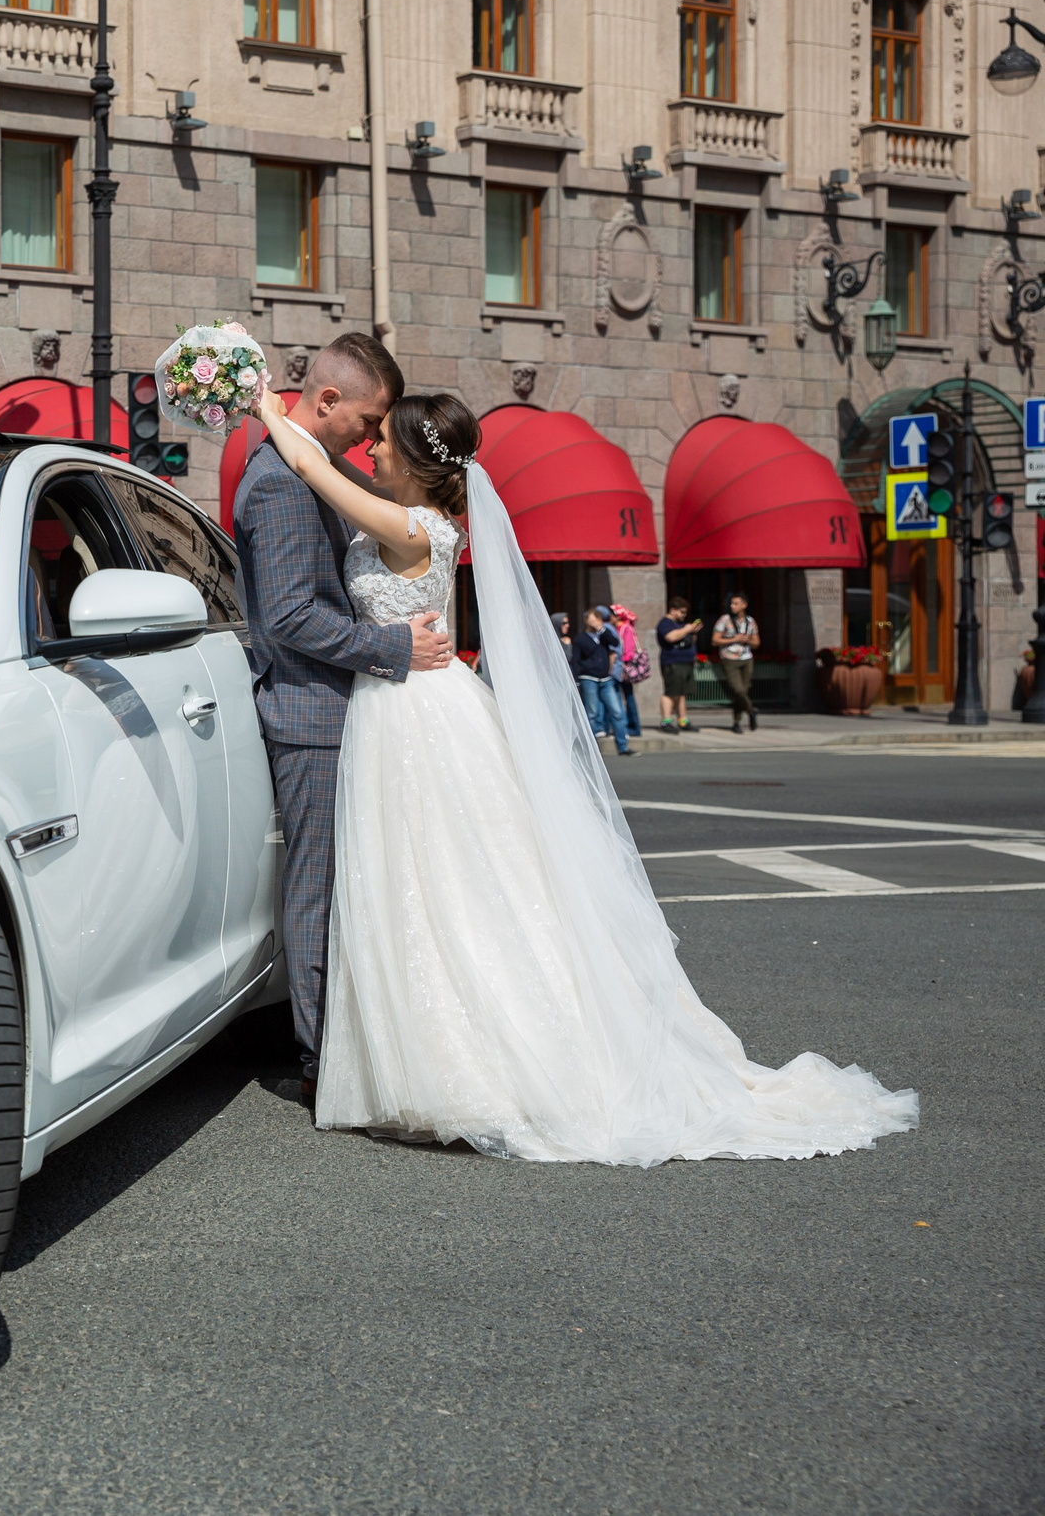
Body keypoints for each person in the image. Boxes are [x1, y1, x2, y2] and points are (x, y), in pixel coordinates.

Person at [245, 380, 917, 1164]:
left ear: (422, 466)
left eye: (385, 439)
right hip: (408, 705)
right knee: (433, 885)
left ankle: (470, 1056)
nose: (372, 447)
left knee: (436, 883)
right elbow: (324, 471)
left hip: (414, 716)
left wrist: (262, 404)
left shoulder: (408, 523)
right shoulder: (420, 515)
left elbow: (311, 465)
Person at [231, 331, 454, 1106]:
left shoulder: (308, 472)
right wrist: (394, 645)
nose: (370, 439)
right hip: (311, 714)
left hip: (348, 707)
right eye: (366, 420)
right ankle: (324, 1057)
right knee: (320, 887)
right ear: (326, 402)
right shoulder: (282, 485)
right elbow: (293, 615)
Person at [572, 605, 633, 756]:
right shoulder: (581, 638)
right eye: (591, 620)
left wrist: (602, 629)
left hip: (606, 678)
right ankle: (592, 749)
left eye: (597, 619)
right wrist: (577, 678)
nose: (594, 622)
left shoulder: (604, 635)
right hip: (589, 678)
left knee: (617, 712)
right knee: (592, 713)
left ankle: (623, 746)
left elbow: (616, 643)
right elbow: (576, 660)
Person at [714, 594, 760, 733]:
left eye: (735, 603)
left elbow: (756, 643)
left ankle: (736, 722)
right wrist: (734, 639)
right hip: (729, 658)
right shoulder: (724, 620)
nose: (732, 606)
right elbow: (715, 640)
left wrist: (747, 640)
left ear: (744, 605)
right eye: (731, 603)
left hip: (746, 658)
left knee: (743, 691)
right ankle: (751, 711)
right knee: (737, 689)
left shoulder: (750, 621)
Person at [657, 595, 702, 732]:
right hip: (673, 663)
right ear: (673, 610)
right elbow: (670, 637)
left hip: (686, 662)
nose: (684, 615)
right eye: (682, 612)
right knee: (671, 692)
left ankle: (683, 720)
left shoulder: (681, 624)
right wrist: (687, 629)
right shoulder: (665, 623)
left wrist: (692, 631)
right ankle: (666, 721)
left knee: (681, 693)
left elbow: (689, 640)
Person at [610, 603, 647, 738]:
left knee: (628, 697)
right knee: (622, 696)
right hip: (620, 667)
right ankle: (625, 726)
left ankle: (633, 726)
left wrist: (624, 666)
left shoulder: (626, 628)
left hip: (624, 668)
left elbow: (629, 650)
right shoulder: (617, 628)